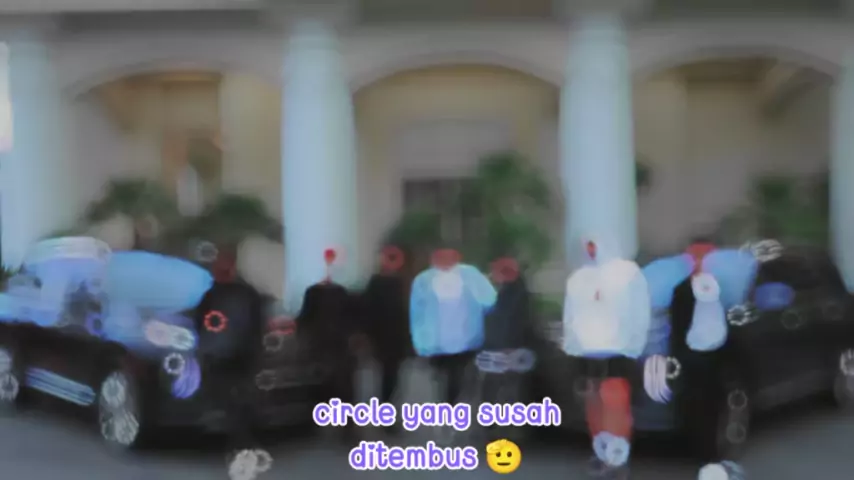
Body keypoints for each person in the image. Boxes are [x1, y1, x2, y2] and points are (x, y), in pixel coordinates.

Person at [562, 235, 652, 478]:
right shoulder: (578, 278)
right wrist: (570, 343)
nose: (592, 250)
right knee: (593, 401)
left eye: (595, 245)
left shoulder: (628, 273)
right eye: (588, 246)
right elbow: (570, 313)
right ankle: (601, 453)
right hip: (586, 349)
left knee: (615, 402)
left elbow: (640, 311)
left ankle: (618, 457)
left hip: (619, 349)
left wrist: (635, 344)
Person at [410, 248, 497, 405]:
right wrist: (420, 342)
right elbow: (416, 313)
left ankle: (452, 406)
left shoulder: (470, 275)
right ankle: (450, 406)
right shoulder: (423, 280)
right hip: (437, 343)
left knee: (457, 378)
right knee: (444, 379)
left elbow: (490, 300)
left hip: (467, 341)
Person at [295, 248, 361, 441]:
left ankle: (344, 427)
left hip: (335, 344)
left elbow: (305, 319)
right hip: (325, 344)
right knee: (331, 385)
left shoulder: (338, 292)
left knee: (341, 386)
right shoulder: (317, 292)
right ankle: (339, 426)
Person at [359, 246, 412, 421]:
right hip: (383, 336)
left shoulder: (399, 282)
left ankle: (387, 410)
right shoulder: (379, 282)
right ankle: (386, 412)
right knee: (388, 376)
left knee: (392, 377)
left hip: (394, 337)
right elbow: (369, 310)